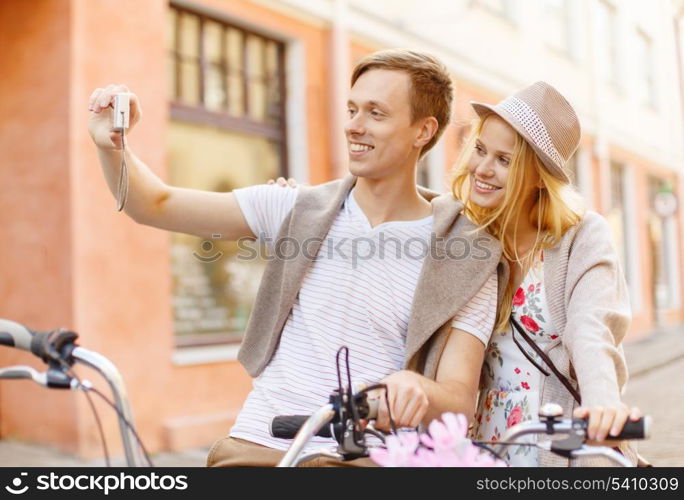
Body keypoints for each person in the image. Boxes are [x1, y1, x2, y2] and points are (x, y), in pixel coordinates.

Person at [87, 49, 506, 467]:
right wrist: (113, 147)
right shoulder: (297, 209)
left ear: (423, 130)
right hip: (258, 446)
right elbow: (155, 204)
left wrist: (417, 389)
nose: (353, 126)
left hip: (360, 460)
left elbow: (457, 400)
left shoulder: (462, 255)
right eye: (352, 109)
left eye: (375, 113)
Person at [450, 81, 641, 466]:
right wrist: (298, 200)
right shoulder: (466, 236)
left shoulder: (581, 237)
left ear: (538, 176)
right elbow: (405, 205)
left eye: (505, 160)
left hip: (553, 445)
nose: (482, 169)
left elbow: (592, 328)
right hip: (480, 446)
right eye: (481, 150)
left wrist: (603, 401)